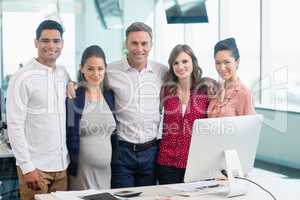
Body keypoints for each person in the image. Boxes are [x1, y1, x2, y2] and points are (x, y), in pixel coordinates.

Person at [6, 20, 69, 200]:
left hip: (62, 167)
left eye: (56, 41)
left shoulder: (63, 73)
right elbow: (14, 125)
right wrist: (27, 167)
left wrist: (71, 84)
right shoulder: (22, 78)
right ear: (36, 43)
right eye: (45, 40)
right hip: (36, 169)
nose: (51, 45)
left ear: (62, 44)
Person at [106, 22, 168, 188]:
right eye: (134, 43)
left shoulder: (162, 71)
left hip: (151, 151)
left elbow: (186, 82)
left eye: (144, 43)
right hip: (122, 152)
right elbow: (90, 82)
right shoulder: (110, 71)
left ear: (151, 45)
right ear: (126, 44)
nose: (139, 48)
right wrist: (72, 84)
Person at [156, 44, 209, 184]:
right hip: (166, 162)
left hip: (195, 162)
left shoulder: (205, 91)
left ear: (193, 63)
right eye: (176, 63)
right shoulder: (166, 91)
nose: (180, 66)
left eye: (185, 61)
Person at [66, 45, 116, 190]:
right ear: (81, 68)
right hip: (82, 173)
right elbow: (68, 134)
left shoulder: (109, 96)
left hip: (106, 174)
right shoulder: (74, 96)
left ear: (105, 69)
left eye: (100, 69)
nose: (96, 73)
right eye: (90, 69)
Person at [207, 38, 255, 117]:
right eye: (218, 63)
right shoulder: (216, 90)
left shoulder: (243, 94)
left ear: (237, 62)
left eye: (227, 62)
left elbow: (249, 127)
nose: (222, 68)